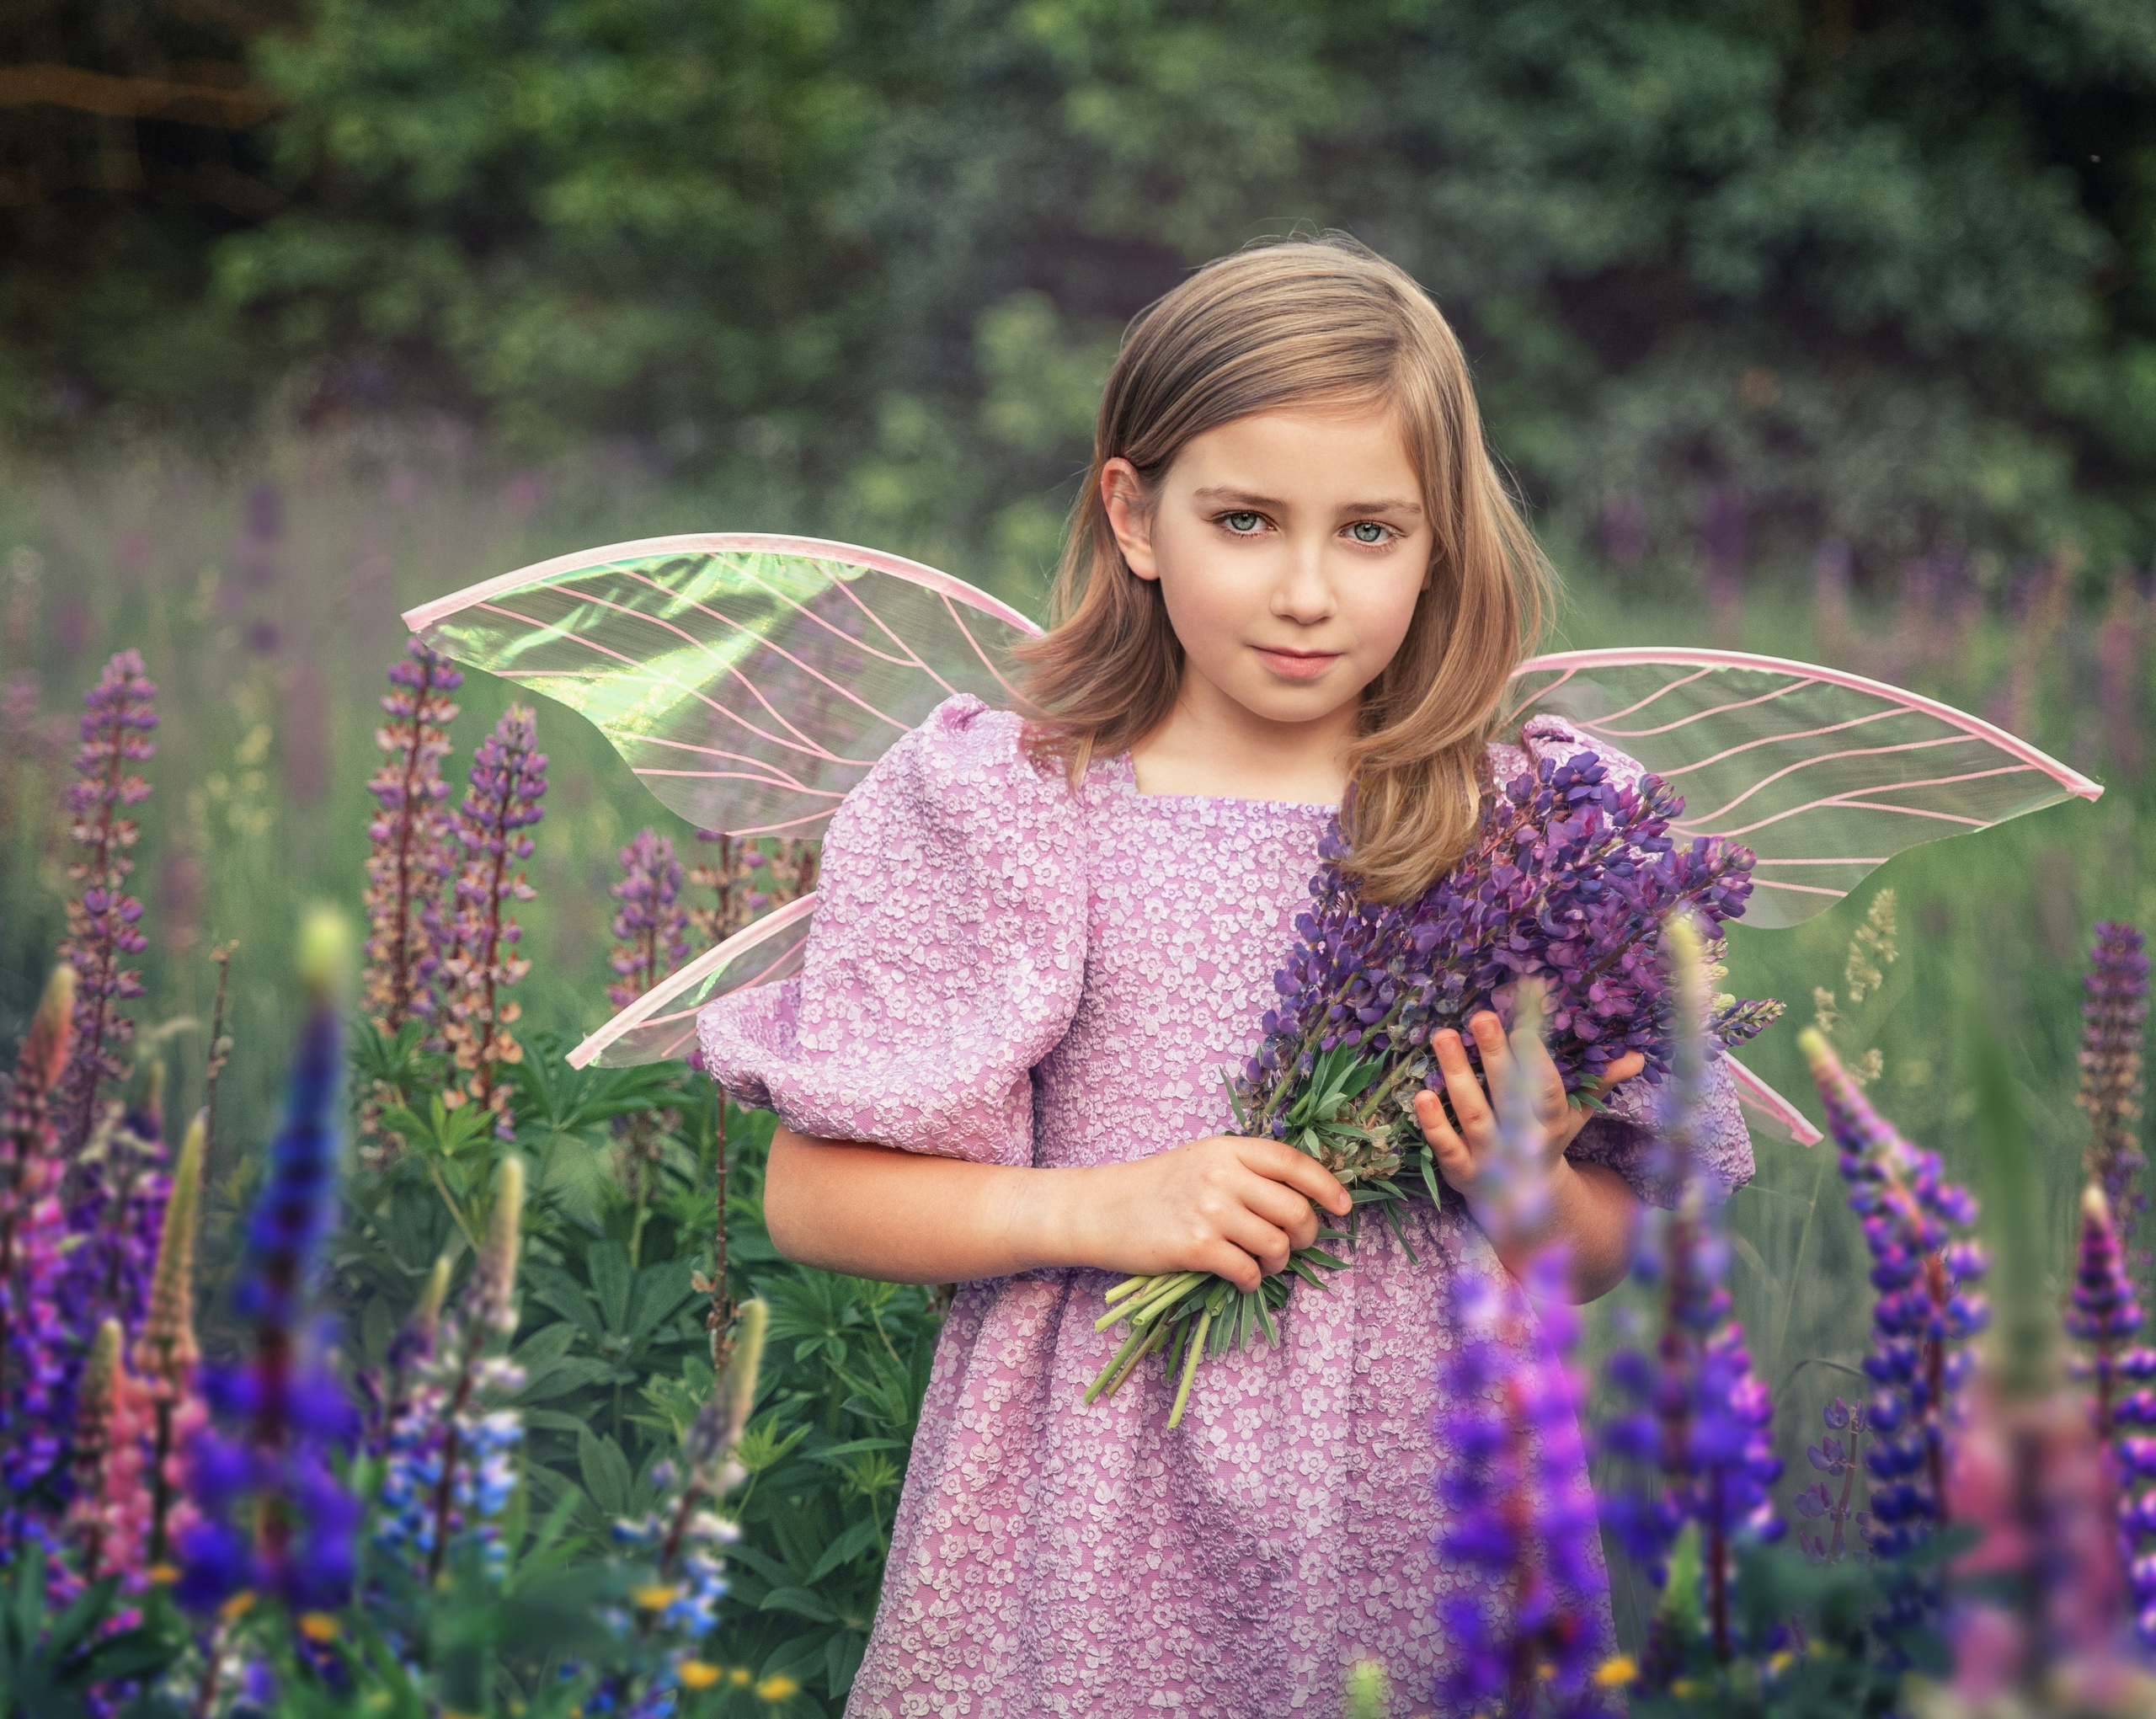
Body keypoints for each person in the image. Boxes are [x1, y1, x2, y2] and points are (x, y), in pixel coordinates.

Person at [698, 236, 1753, 1716]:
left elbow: (1595, 1256)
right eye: (1246, 519)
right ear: (1135, 513)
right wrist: (1100, 1203)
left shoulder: (1533, 832)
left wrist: (1531, 1182)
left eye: (1372, 531)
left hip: (1430, 1497)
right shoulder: (1019, 801)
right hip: (1085, 1519)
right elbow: (815, 1194)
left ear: (1441, 532)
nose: (1308, 590)